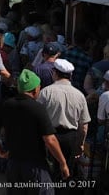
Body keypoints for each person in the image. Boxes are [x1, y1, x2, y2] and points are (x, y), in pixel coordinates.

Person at [0, 69, 70, 195]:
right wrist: (63, 163)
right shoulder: (37, 108)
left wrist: (0, 152)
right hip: (35, 166)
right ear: (35, 89)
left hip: (13, 164)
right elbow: (50, 140)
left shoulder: (6, 105)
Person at [37, 59, 91, 189]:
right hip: (71, 139)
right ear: (70, 76)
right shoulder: (80, 95)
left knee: (48, 173)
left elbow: (36, 118)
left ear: (54, 73)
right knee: (66, 175)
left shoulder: (46, 92)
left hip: (49, 137)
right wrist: (80, 144)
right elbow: (83, 126)